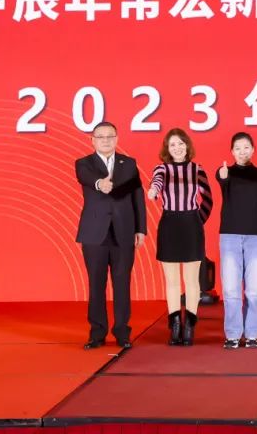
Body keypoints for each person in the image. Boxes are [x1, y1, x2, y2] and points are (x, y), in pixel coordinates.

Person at [73, 121, 146, 350]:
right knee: (96, 284)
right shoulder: (84, 163)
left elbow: (137, 197)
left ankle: (122, 332)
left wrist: (140, 228)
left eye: (110, 136)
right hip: (94, 233)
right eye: (101, 136)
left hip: (124, 232)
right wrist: (99, 184)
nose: (105, 140)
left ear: (117, 139)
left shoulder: (129, 164)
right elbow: (86, 178)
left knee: (122, 283)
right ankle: (97, 333)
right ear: (92, 140)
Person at [148, 128, 213, 346]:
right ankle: (174, 325)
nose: (177, 148)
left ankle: (190, 325)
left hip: (191, 225)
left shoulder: (197, 169)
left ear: (187, 146)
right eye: (172, 144)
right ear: (167, 149)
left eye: (181, 143)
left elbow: (208, 199)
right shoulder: (162, 168)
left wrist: (197, 221)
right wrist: (153, 191)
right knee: (172, 281)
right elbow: (157, 181)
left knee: (192, 280)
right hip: (169, 225)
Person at [216, 132, 257, 349]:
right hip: (230, 236)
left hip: (256, 236)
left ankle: (252, 334)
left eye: (246, 147)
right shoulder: (226, 172)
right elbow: (220, 179)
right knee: (231, 289)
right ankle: (232, 334)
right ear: (232, 152)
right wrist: (222, 176)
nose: (242, 152)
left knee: (254, 290)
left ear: (253, 149)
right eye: (238, 148)